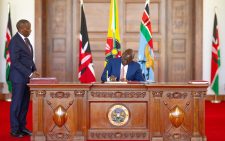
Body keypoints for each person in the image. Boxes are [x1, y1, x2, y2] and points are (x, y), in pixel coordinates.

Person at [8, 19, 40, 137]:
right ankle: (15, 129)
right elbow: (15, 62)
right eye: (28, 28)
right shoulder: (14, 42)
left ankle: (22, 127)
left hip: (26, 78)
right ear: (21, 29)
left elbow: (28, 58)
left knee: (25, 104)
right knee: (17, 104)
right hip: (18, 78)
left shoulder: (26, 40)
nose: (30, 30)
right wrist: (29, 73)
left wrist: (34, 70)